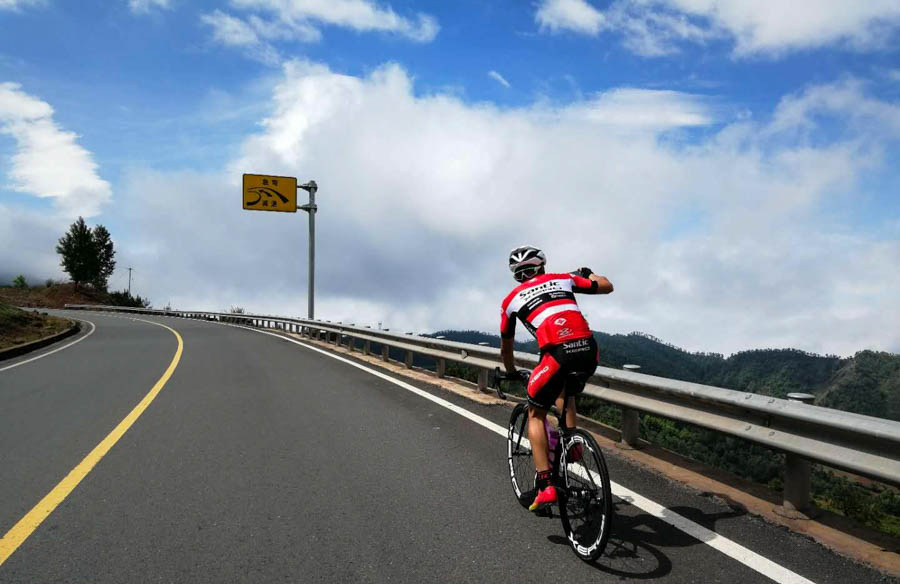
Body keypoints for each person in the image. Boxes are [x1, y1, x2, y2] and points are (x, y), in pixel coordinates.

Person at [500, 245, 613, 511]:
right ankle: (573, 446)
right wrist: (589, 273)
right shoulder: (563, 278)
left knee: (535, 413)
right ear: (542, 265)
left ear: (516, 275)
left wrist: (511, 371)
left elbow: (506, 347)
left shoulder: (510, 301)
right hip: (589, 351)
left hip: (556, 354)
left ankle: (546, 484)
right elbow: (607, 286)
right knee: (565, 391)